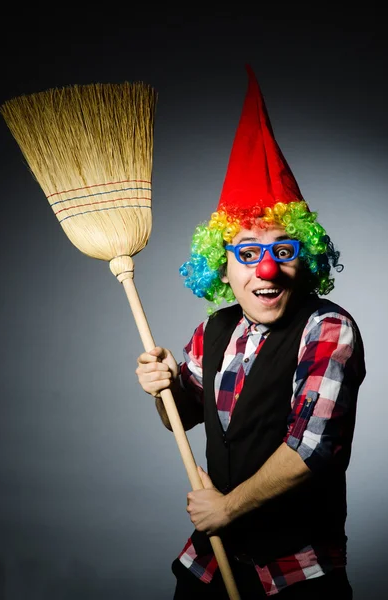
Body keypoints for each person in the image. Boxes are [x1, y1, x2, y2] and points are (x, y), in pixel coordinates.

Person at [135, 66, 366, 598]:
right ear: (224, 263)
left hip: (295, 573)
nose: (266, 270)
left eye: (283, 252)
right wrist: (162, 384)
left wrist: (227, 507)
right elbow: (180, 418)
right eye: (249, 253)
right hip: (213, 563)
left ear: (303, 260)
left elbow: (314, 449)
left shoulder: (328, 328)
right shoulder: (214, 328)